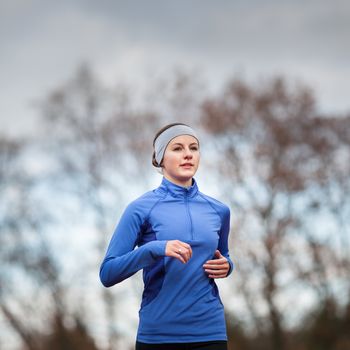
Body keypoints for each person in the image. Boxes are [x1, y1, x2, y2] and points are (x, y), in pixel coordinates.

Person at [100, 123, 234, 350]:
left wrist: (227, 266)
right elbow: (108, 273)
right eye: (177, 148)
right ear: (160, 158)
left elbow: (224, 255)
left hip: (210, 332)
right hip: (159, 335)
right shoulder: (140, 209)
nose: (188, 154)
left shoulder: (219, 210)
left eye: (194, 148)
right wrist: (154, 249)